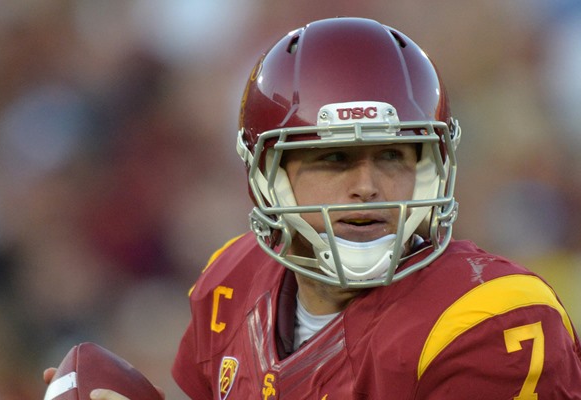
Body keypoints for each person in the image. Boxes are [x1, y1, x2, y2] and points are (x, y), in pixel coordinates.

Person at [46, 17, 581, 399]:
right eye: (333, 159)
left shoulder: (490, 317)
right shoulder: (231, 283)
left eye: (392, 155)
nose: (367, 186)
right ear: (270, 177)